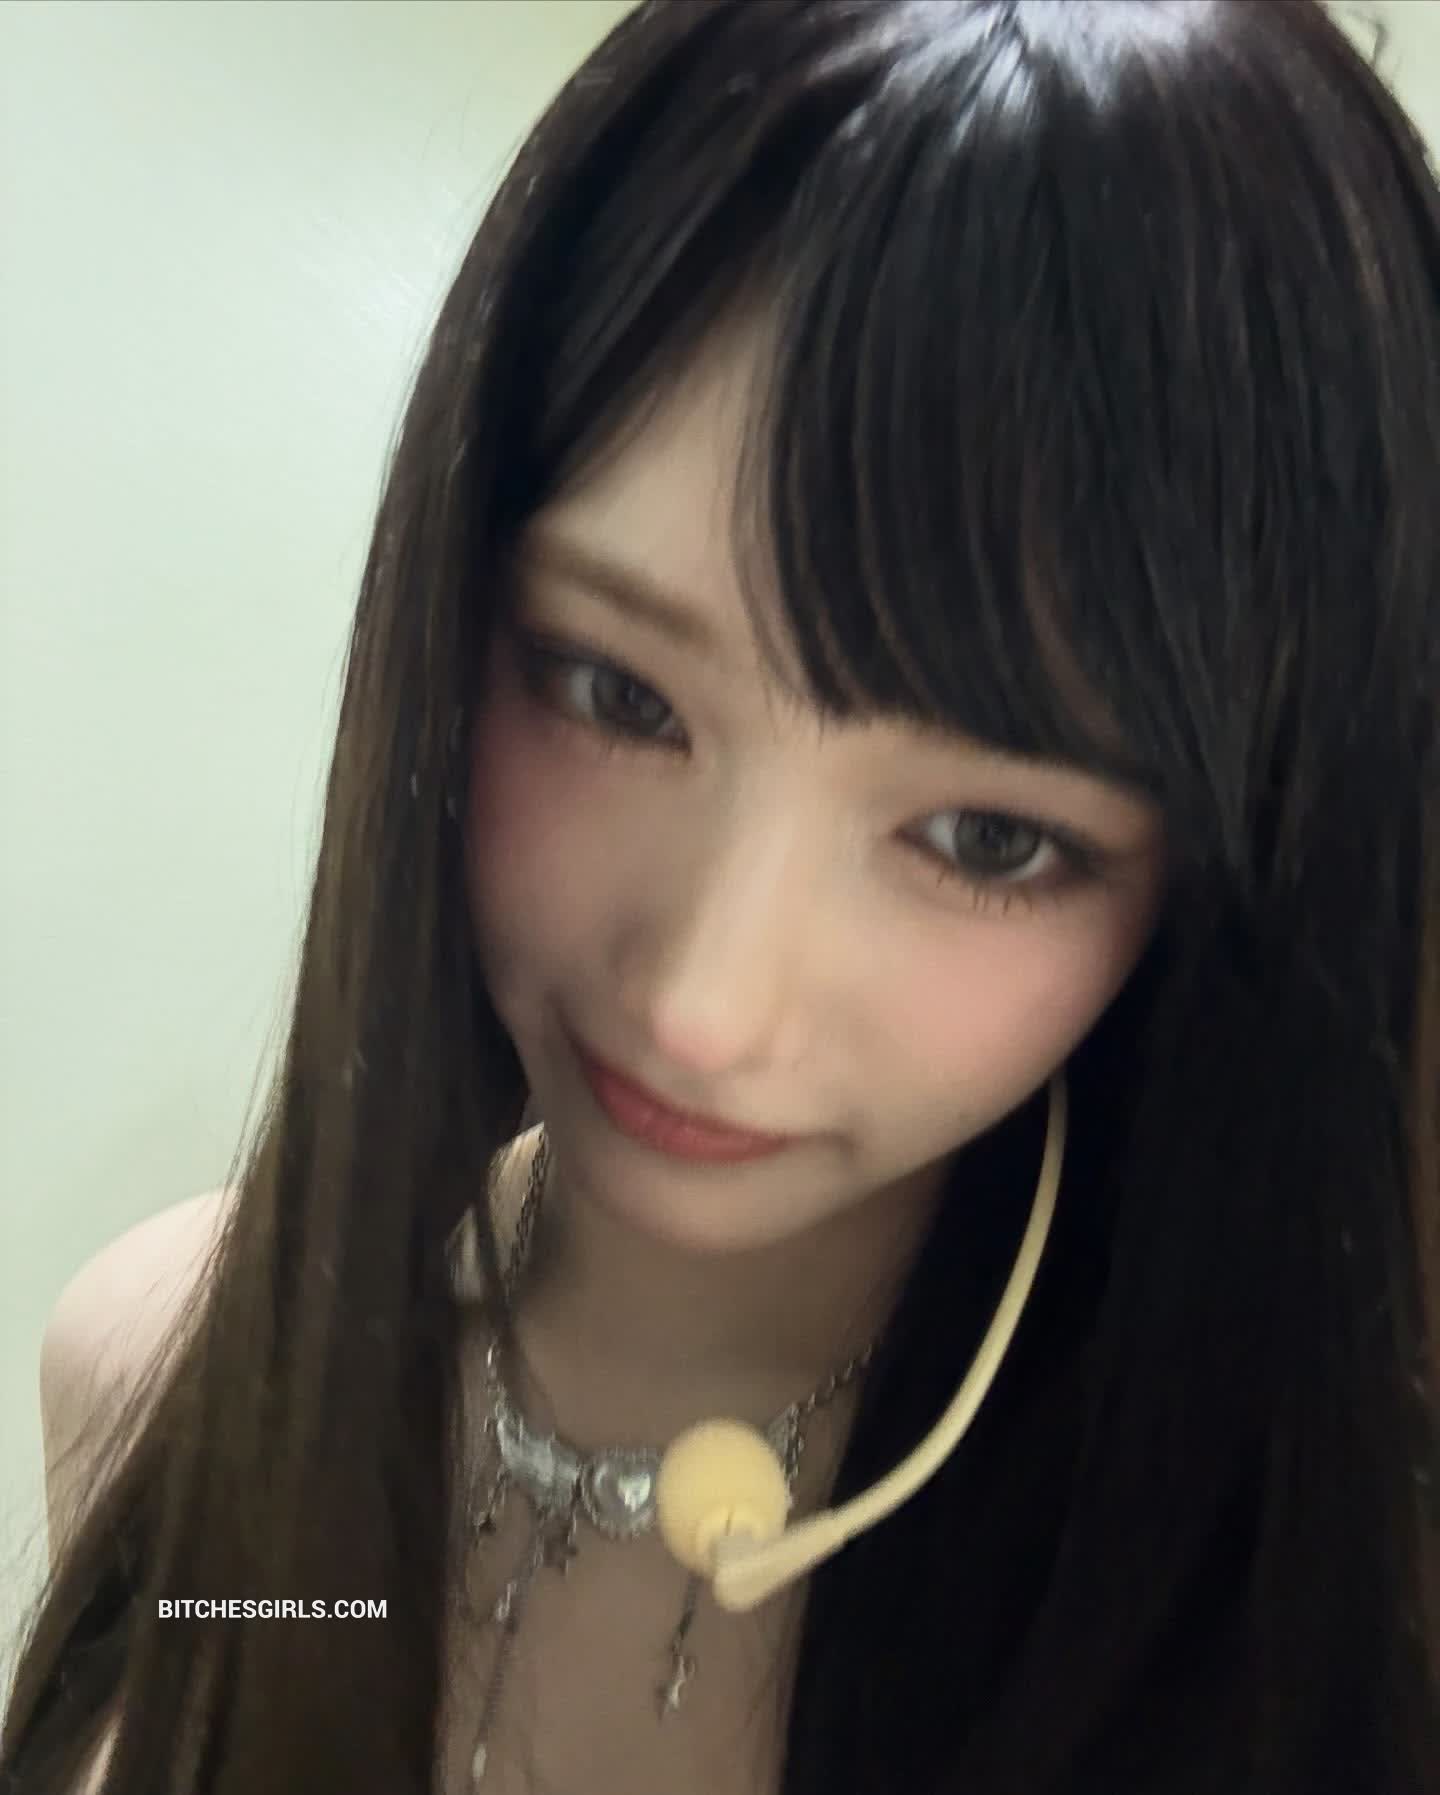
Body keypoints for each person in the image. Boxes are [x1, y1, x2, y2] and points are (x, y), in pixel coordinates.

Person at [3, 0, 1437, 1789]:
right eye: (616, 692)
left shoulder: (1303, 1609)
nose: (704, 1003)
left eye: (990, 839)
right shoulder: (169, 1365)